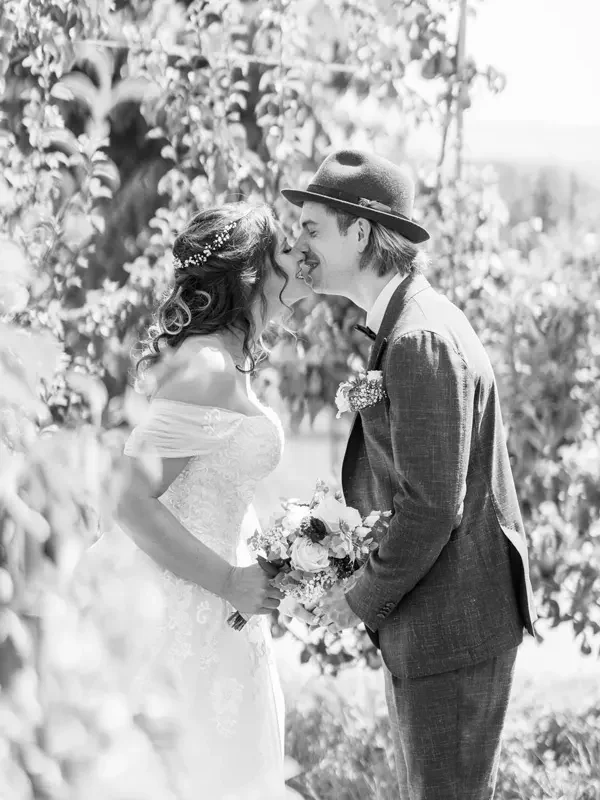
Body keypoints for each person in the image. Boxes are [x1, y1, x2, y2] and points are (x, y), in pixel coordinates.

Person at [283, 149, 538, 800]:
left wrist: (356, 600)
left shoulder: (419, 339)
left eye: (311, 229)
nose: (299, 245)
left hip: (453, 628)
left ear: (358, 232)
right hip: (439, 623)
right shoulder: (405, 323)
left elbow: (430, 508)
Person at [112, 202, 308, 799]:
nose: (297, 262)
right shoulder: (209, 365)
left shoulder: (221, 358)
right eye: (285, 254)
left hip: (222, 607)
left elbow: (211, 481)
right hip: (189, 606)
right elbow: (127, 499)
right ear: (251, 275)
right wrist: (228, 580)